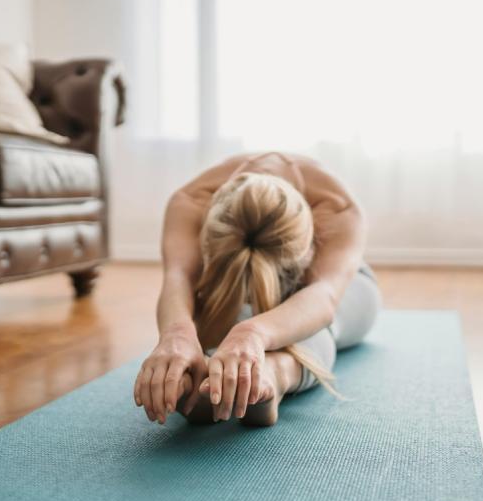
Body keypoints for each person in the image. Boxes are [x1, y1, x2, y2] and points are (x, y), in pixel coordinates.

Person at [133, 151, 381, 426]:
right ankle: (207, 380)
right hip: (227, 289)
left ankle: (275, 373)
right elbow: (179, 277)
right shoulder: (190, 202)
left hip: (338, 288)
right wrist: (176, 335)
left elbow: (324, 296)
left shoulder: (337, 208)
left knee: (318, 326)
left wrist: (252, 333)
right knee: (225, 317)